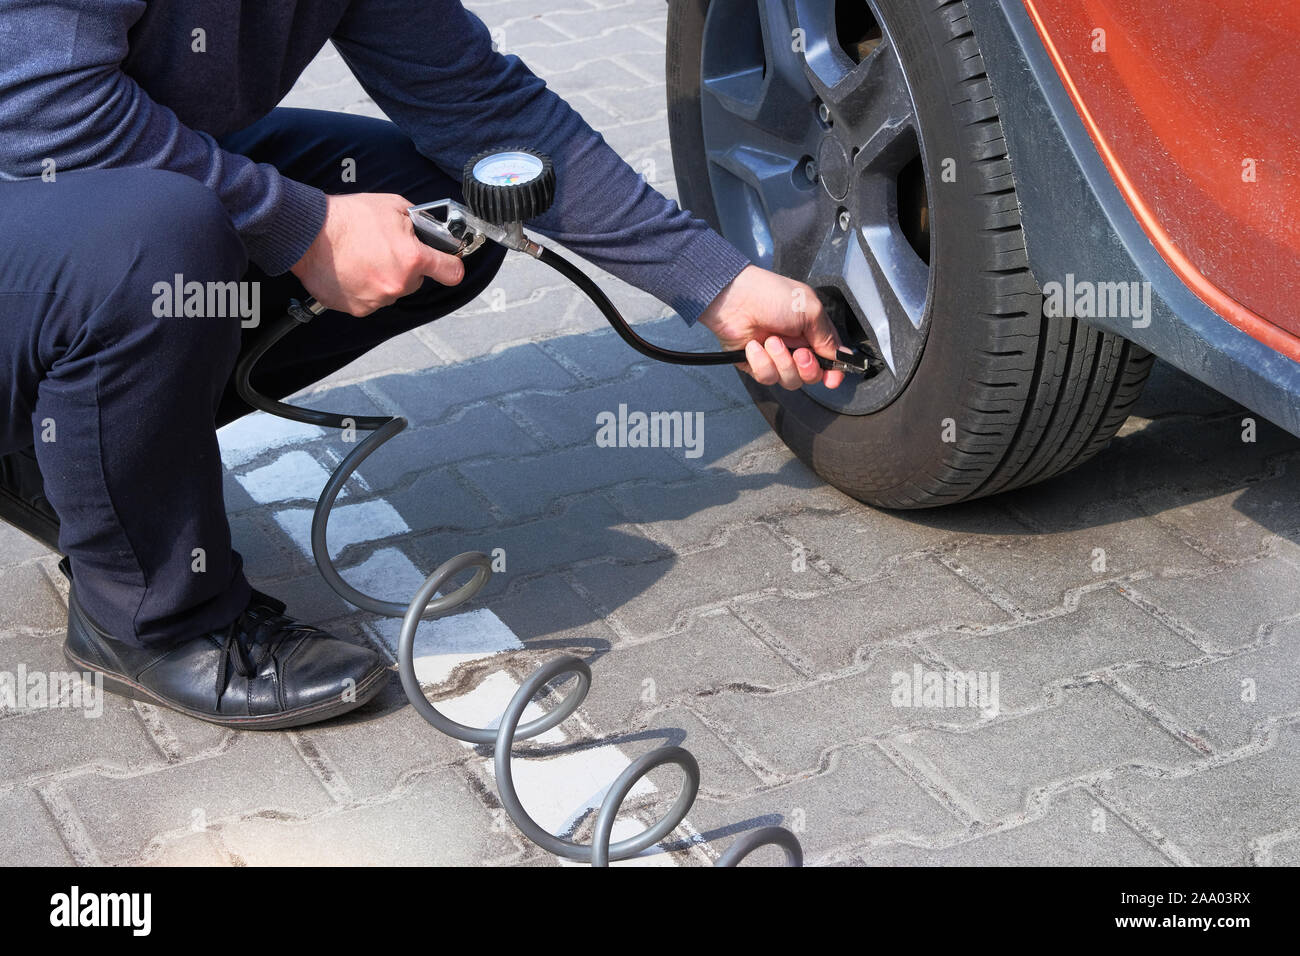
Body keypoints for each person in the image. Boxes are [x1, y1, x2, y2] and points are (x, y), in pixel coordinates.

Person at [0, 0, 845, 729]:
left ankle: (76, 449)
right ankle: (151, 619)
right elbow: (44, 109)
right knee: (158, 238)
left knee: (437, 214)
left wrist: (715, 283)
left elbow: (479, 104)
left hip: (71, 208)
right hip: (39, 179)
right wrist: (301, 223)